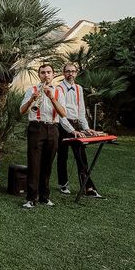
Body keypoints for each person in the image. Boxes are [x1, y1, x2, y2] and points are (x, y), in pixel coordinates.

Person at [20, 64, 67, 209]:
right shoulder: (31, 90)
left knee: (47, 164)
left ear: (53, 74)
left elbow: (63, 113)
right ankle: (31, 198)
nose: (46, 75)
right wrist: (31, 100)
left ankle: (45, 197)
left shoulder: (59, 92)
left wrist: (52, 98)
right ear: (39, 75)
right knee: (34, 164)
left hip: (53, 128)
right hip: (36, 127)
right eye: (43, 73)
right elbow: (22, 111)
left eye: (48, 72)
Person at [56, 62, 102, 197]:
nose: (70, 74)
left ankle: (87, 187)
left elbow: (81, 111)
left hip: (76, 125)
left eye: (73, 71)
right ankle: (63, 184)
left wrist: (86, 128)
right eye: (68, 71)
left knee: (81, 156)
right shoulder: (59, 88)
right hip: (63, 125)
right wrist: (71, 130)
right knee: (62, 156)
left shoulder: (79, 88)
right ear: (63, 73)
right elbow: (60, 113)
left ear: (76, 73)